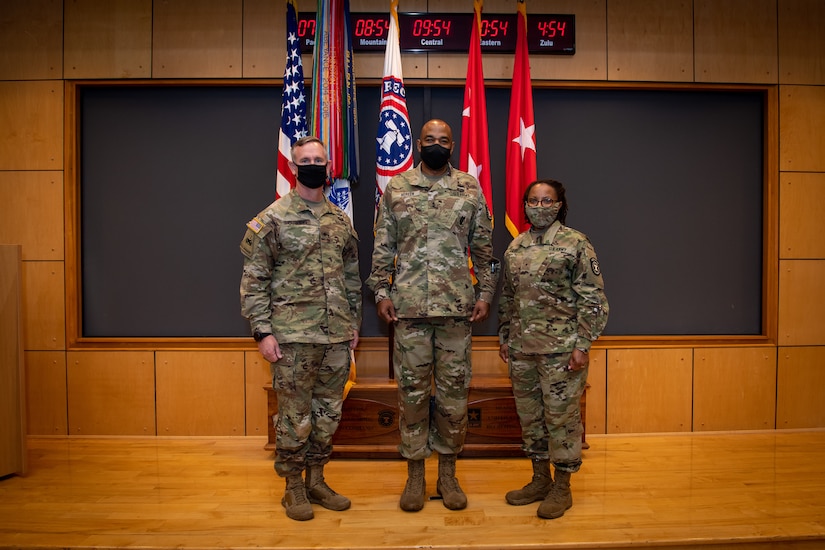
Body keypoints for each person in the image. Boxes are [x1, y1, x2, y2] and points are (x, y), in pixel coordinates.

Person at [367, 119, 497, 512]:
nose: (436, 145)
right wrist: (379, 291)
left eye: (443, 140)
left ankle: (448, 473)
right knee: (412, 397)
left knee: (455, 399)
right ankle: (414, 475)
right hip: (408, 311)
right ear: (418, 144)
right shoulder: (398, 188)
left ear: (452, 145)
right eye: (429, 140)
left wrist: (486, 294)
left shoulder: (469, 187)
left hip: (457, 311)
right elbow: (383, 246)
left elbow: (485, 251)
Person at [239, 136, 362, 522]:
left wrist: (353, 323)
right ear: (292, 168)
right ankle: (292, 487)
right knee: (294, 417)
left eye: (319, 160)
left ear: (328, 167)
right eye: (304, 159)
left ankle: (317, 480)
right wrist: (263, 331)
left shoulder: (340, 221)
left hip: (336, 336)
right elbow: (254, 280)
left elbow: (352, 277)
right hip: (291, 337)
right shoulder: (272, 219)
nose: (313, 165)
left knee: (328, 415)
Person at [498, 179, 608, 520]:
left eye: (548, 201)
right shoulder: (515, 247)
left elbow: (593, 298)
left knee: (561, 420)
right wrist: (505, 336)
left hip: (562, 352)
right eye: (534, 200)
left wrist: (583, 344)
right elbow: (508, 297)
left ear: (559, 204)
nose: (540, 206)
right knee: (531, 419)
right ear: (525, 204)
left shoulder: (575, 243)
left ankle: (563, 487)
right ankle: (539, 479)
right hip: (522, 350)